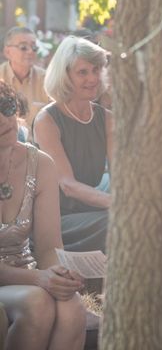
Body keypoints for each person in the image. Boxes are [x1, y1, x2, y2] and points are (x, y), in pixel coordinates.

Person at [0, 80, 86, 349]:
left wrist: (59, 275)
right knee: (36, 303)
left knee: (71, 307)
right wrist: (39, 279)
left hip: (28, 275)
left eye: (7, 107)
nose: (4, 119)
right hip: (24, 283)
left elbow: (49, 247)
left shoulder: (40, 164)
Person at [33, 36, 112, 253]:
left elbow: (122, 176)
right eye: (83, 72)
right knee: (117, 224)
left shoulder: (106, 118)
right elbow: (67, 185)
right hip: (55, 219)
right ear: (65, 75)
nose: (93, 78)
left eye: (96, 70)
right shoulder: (47, 119)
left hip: (94, 211)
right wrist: (119, 204)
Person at [0, 27, 49, 128]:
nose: (31, 51)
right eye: (23, 47)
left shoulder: (46, 79)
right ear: (7, 52)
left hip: (38, 142)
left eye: (34, 47)